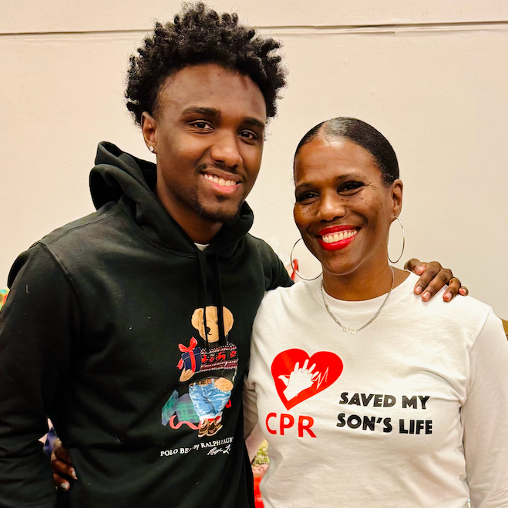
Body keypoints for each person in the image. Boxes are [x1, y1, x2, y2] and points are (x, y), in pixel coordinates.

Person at [0, 4, 465, 507]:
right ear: (151, 130)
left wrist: (412, 285)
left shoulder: (259, 269)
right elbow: (8, 433)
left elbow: (344, 334)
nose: (229, 152)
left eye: (248, 133)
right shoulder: (66, 268)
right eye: (201, 123)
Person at [243, 117, 508, 507]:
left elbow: (495, 491)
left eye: (350, 186)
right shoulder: (268, 316)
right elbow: (225, 450)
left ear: (394, 198)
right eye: (308, 194)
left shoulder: (469, 325)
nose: (327, 210)